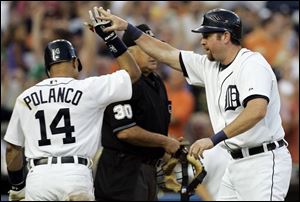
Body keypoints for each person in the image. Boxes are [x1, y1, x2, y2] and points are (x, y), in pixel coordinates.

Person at [97, 7, 292, 201]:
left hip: (263, 160)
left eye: (207, 35)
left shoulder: (251, 64)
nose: (202, 41)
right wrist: (126, 27)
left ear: (225, 36)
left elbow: (257, 110)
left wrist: (213, 140)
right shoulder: (209, 65)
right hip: (234, 162)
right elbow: (166, 53)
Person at [4, 7, 141, 201]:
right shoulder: (90, 88)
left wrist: (18, 185)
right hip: (75, 175)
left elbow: (12, 150)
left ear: (48, 69)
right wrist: (111, 39)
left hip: (39, 178)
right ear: (76, 62)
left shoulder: (25, 97)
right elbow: (133, 74)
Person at [94, 24, 180, 201]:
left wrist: (169, 149)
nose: (152, 52)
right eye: (145, 48)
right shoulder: (121, 82)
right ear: (129, 54)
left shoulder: (156, 81)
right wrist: (165, 142)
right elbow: (125, 131)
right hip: (122, 172)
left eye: (154, 47)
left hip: (147, 170)